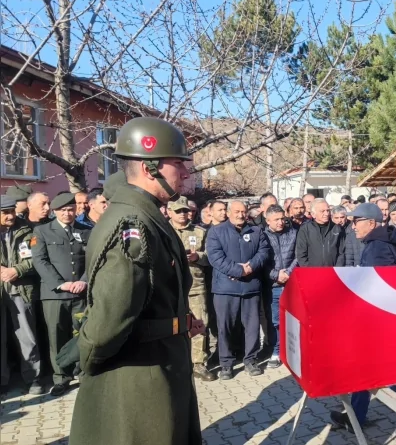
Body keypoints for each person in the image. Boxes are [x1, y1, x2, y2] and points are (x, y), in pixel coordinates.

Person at [70, 117, 203, 445]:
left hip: (160, 361)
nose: (186, 172)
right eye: (178, 163)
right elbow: (110, 320)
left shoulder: (149, 216)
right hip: (139, 373)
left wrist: (179, 321)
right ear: (149, 168)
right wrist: (87, 354)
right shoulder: (132, 223)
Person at [330, 202, 396, 430]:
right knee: (364, 371)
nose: (352, 227)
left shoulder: (378, 247)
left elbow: (379, 289)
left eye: (356, 222)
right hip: (379, 322)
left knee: (390, 375)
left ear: (371, 223)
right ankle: (355, 418)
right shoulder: (377, 242)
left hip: (381, 324)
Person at [31, 192, 91, 395]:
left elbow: (93, 259)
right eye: (63, 210)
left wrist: (84, 281)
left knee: (83, 332)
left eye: (71, 209)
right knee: (57, 336)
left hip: (80, 293)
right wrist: (60, 284)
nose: (67, 213)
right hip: (54, 294)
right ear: (55, 211)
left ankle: (84, 372)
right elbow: (40, 261)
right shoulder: (42, 231)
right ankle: (61, 377)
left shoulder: (86, 231)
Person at [207, 200, 270, 379]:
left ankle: (250, 359)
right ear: (228, 212)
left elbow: (263, 252)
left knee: (251, 327)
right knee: (225, 327)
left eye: (243, 211)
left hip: (251, 287)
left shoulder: (256, 231)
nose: (240, 215)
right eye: (237, 211)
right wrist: (238, 270)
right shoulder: (216, 232)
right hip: (225, 289)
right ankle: (226, 364)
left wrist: (250, 267)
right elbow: (215, 257)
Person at [166, 196, 214, 381]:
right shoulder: (163, 231)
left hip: (195, 286)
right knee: (172, 326)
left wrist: (198, 257)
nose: (183, 214)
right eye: (178, 211)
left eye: (185, 210)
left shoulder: (200, 232)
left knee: (200, 323)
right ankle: (174, 362)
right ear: (169, 212)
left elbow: (210, 256)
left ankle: (199, 364)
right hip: (170, 288)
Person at [0, 195, 44, 396]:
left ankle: (33, 378)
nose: (9, 216)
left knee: (27, 336)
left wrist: (17, 270)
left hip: (20, 288)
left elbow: (37, 257)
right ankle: (3, 380)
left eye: (11, 211)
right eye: (4, 213)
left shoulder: (28, 230)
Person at [262, 205, 297, 369]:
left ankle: (293, 353)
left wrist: (288, 273)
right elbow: (261, 261)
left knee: (294, 320)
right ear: (267, 220)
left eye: (282, 218)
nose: (281, 222)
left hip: (292, 283)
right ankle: (277, 352)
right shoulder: (261, 236)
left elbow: (298, 255)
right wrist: (276, 275)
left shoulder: (293, 233)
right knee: (276, 321)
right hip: (273, 285)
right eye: (276, 219)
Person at [296, 198, 345, 268]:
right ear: (313, 214)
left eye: (328, 210)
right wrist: (310, 271)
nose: (326, 213)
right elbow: (301, 254)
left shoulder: (336, 228)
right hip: (313, 273)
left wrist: (337, 269)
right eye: (322, 211)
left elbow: (341, 253)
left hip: (333, 272)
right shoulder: (305, 229)